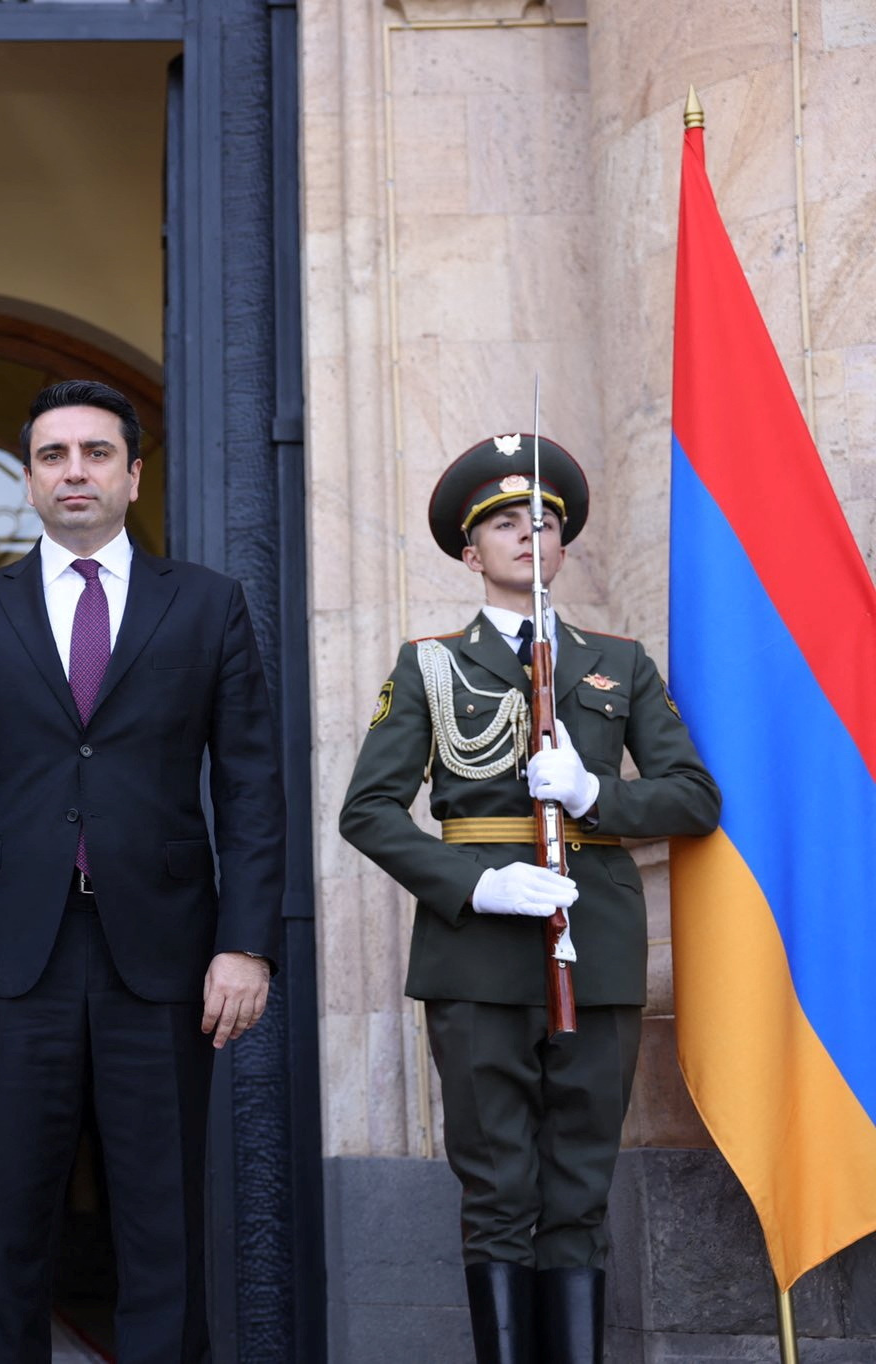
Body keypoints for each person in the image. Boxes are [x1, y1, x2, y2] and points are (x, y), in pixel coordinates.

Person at [0, 380, 287, 1364]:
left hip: (162, 955)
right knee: (8, 1225)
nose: (74, 471)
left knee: (163, 1224)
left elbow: (249, 786)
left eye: (95, 452)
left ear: (133, 474)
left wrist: (245, 943)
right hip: (8, 961)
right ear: (29, 479)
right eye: (52, 455)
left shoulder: (206, 604)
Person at [339, 433, 719, 1364]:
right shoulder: (430, 666)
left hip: (595, 946)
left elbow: (694, 799)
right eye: (505, 523)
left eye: (544, 522)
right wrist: (478, 883)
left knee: (580, 1185)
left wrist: (596, 795)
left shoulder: (620, 664)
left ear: (565, 546)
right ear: (472, 552)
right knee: (498, 1187)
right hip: (477, 952)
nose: (528, 535)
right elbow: (368, 812)